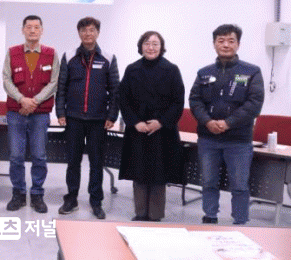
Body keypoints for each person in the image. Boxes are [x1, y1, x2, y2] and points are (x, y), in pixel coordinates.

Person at [189, 24, 264, 225]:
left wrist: (228, 123)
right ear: (214, 44)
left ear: (238, 44)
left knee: (239, 185)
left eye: (231, 41)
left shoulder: (251, 72)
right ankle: (210, 216)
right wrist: (207, 121)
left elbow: (254, 104)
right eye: (221, 41)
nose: (226, 45)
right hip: (208, 138)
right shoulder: (204, 72)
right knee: (208, 182)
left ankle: (240, 221)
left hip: (238, 140)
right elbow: (195, 100)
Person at [56, 16, 119, 220]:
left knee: (96, 162)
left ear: (98, 33)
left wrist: (112, 115)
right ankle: (71, 199)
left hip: (98, 120)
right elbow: (61, 87)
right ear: (79, 33)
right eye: (84, 30)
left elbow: (115, 90)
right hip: (73, 118)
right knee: (73, 161)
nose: (87, 34)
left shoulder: (108, 58)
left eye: (91, 30)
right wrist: (61, 112)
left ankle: (96, 201)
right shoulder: (69, 56)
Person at [118, 31, 185, 222]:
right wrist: (135, 122)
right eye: (147, 43)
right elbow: (123, 99)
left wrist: (161, 122)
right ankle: (140, 213)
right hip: (138, 130)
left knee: (158, 174)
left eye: (155, 44)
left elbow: (178, 101)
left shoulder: (171, 70)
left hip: (162, 132)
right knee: (138, 173)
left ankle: (155, 216)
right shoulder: (132, 69)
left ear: (161, 47)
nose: (151, 47)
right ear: (141, 46)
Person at [3, 15, 59, 214]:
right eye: (29, 27)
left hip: (40, 113)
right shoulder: (13, 52)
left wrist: (34, 101)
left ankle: (37, 194)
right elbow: (6, 80)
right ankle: (18, 193)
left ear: (41, 30)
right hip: (16, 112)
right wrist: (22, 99)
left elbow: (54, 82)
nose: (32, 30)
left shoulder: (51, 54)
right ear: (23, 30)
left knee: (39, 155)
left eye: (36, 27)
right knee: (16, 155)